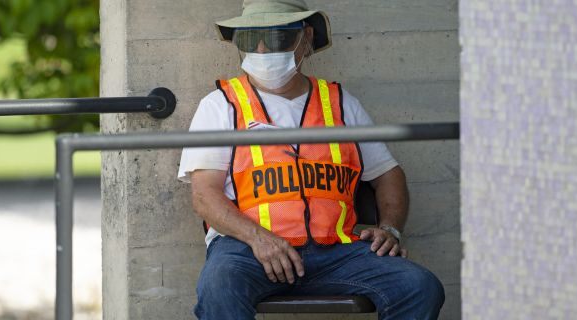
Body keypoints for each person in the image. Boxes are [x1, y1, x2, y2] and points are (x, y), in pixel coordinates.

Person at [177, 0, 445, 319]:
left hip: (337, 251)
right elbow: (204, 196)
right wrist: (259, 239)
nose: (262, 50)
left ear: (304, 38)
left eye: (277, 37)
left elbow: (388, 174)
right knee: (219, 284)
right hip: (247, 250)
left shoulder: (341, 103)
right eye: (251, 39)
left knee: (420, 286)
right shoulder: (221, 104)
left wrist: (390, 229)